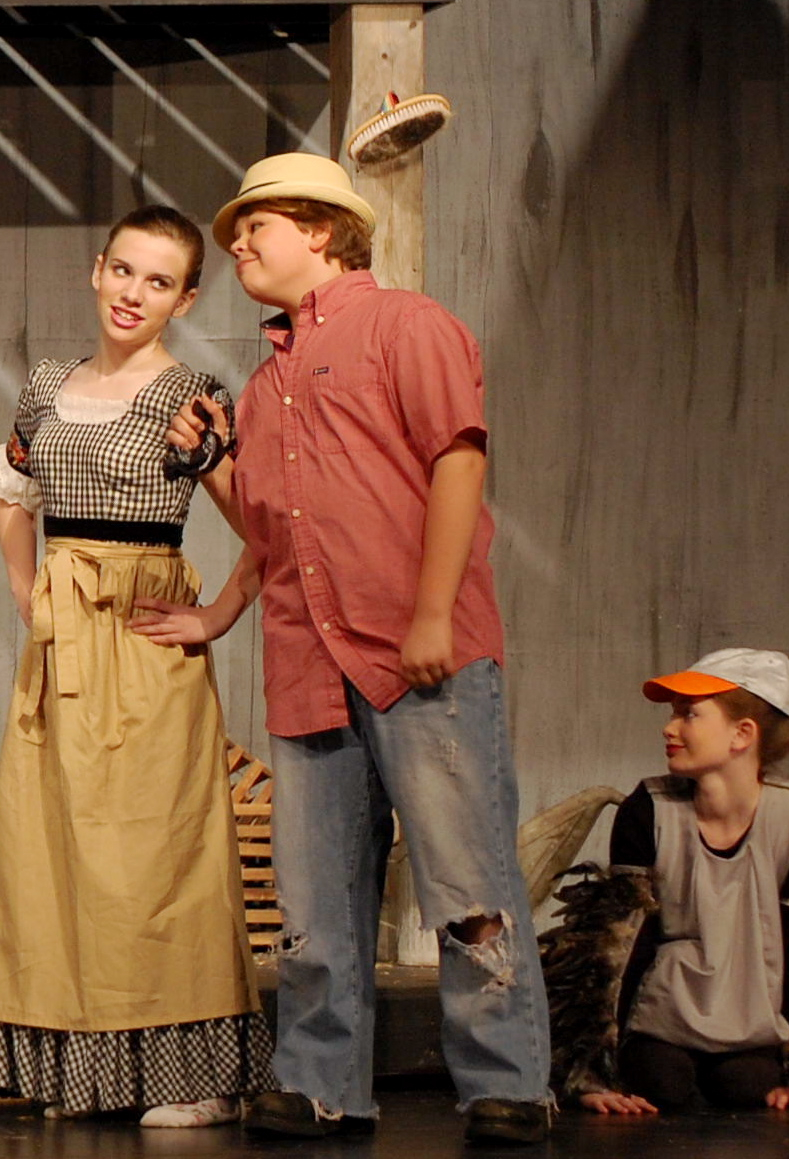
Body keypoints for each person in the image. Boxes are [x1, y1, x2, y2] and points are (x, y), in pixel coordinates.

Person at [146, 152, 553, 1144]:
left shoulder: (407, 326)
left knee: (465, 882)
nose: (239, 245)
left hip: (418, 654)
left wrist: (431, 612)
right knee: (315, 898)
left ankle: (506, 1081)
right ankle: (321, 1080)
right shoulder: (263, 385)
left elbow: (457, 461)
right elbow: (270, 533)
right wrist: (211, 475)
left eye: (257, 226)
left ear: (321, 230)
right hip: (309, 664)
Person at [0, 205, 264, 1126]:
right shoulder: (48, 383)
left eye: (159, 281)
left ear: (187, 299)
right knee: (54, 847)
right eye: (125, 271)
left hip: (140, 634)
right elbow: (12, 486)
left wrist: (217, 614)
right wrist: (24, 588)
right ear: (98, 270)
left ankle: (195, 1077)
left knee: (152, 851)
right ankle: (92, 1072)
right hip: (63, 637)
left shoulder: (191, 396)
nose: (135, 293)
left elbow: (265, 525)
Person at [545, 649, 789, 1116]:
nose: (670, 728)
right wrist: (593, 1073)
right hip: (664, 1017)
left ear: (742, 734)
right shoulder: (649, 809)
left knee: (747, 1086)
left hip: (752, 1020)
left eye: (689, 714)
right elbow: (614, 946)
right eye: (673, 714)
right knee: (662, 1082)